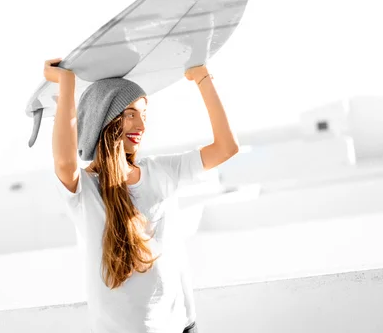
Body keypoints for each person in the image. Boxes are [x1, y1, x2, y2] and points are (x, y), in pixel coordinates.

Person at [45, 57, 239, 333]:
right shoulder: (86, 189)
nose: (141, 126)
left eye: (144, 115)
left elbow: (226, 147)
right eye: (131, 114)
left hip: (179, 325)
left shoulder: (162, 171)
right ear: (106, 119)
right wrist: (66, 84)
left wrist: (203, 78)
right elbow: (64, 161)